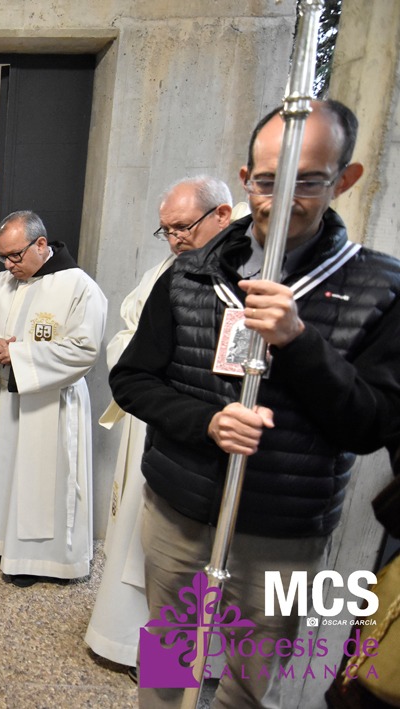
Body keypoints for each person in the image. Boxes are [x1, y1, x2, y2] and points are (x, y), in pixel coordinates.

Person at [110, 99, 400, 708]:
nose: (283, 197)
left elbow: (371, 425)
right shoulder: (188, 276)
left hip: (283, 527)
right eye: (268, 181)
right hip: (180, 506)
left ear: (345, 179)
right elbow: (132, 379)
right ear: (245, 180)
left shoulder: (380, 286)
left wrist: (299, 341)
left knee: (252, 676)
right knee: (166, 649)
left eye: (309, 180)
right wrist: (208, 421)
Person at [84, 175, 233, 672]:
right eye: (165, 230)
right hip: (159, 424)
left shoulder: (243, 277)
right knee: (152, 551)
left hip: (215, 441)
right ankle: (135, 648)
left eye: (183, 227)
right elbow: (129, 337)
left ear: (223, 215)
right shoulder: (163, 273)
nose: (174, 239)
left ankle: (192, 666)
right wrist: (143, 371)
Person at [0, 210, 106, 587]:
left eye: (15, 255)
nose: (8, 265)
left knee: (41, 477)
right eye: (3, 256)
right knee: (5, 466)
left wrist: (20, 354)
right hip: (6, 398)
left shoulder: (79, 286)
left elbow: (85, 350)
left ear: (41, 244)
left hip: (51, 403)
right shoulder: (0, 283)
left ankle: (39, 559)